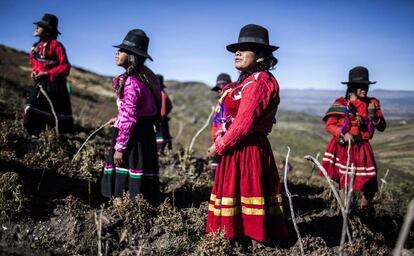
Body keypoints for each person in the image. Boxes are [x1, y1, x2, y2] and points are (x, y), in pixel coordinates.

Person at [207, 24, 287, 244]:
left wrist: (219, 146)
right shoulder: (244, 82)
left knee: (247, 194)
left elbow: (244, 123)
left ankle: (251, 240)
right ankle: (239, 238)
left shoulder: (260, 82)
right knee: (239, 197)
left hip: (248, 149)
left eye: (245, 49)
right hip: (238, 146)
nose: (238, 53)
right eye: (237, 50)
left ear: (261, 56)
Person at [101, 29, 162, 205]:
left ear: (132, 56)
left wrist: (120, 147)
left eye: (121, 50)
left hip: (132, 136)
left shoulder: (131, 82)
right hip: (144, 134)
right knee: (140, 170)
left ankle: (122, 206)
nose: (117, 53)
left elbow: (130, 117)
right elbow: (140, 110)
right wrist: (118, 117)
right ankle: (139, 205)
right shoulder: (147, 77)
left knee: (123, 168)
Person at [320, 66, 386, 209]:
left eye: (366, 86)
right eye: (361, 86)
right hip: (344, 148)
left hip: (363, 148)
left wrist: (373, 115)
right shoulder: (341, 103)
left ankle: (364, 214)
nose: (365, 89)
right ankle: (345, 214)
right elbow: (330, 125)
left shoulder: (372, 103)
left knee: (369, 183)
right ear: (352, 87)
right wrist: (343, 133)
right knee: (344, 182)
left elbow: (381, 127)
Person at [24, 13, 73, 136]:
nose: (36, 28)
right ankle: (34, 135)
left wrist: (47, 73)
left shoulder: (56, 46)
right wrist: (34, 73)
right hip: (40, 84)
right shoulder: (35, 47)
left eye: (40, 26)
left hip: (54, 85)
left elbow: (65, 66)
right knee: (32, 107)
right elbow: (35, 64)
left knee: (54, 113)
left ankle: (54, 138)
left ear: (48, 32)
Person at [210, 73, 232, 178]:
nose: (219, 91)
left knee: (222, 174)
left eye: (221, 89)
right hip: (217, 142)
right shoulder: (221, 104)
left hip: (222, 142)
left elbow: (225, 124)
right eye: (218, 89)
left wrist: (219, 140)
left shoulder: (228, 102)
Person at [155, 74, 173, 153]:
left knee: (160, 141)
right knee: (165, 138)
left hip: (159, 121)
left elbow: (163, 109)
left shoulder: (160, 94)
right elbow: (170, 106)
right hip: (163, 120)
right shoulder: (163, 93)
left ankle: (161, 152)